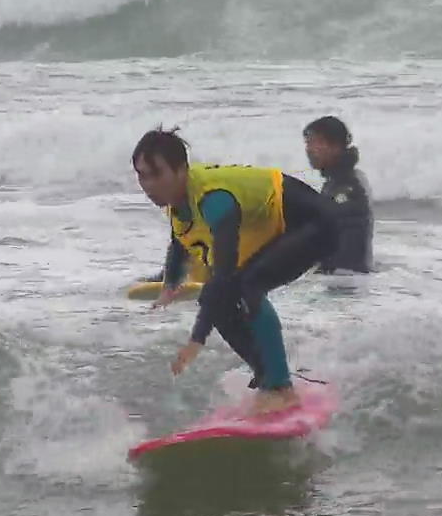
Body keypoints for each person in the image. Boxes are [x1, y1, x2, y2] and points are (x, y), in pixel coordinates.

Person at [132, 127, 338, 415]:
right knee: (225, 297)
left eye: (156, 174)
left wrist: (197, 338)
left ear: (181, 170)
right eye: (142, 175)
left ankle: (281, 389)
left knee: (246, 287)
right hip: (281, 226)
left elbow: (224, 275)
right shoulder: (179, 201)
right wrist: (170, 284)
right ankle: (270, 378)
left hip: (317, 223)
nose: (148, 184)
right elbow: (179, 240)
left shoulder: (213, 200)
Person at [303, 116, 373, 274]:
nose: (309, 149)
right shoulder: (340, 179)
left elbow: (346, 243)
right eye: (307, 143)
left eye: (314, 142)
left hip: (345, 279)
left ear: (335, 146)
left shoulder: (347, 186)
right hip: (346, 277)